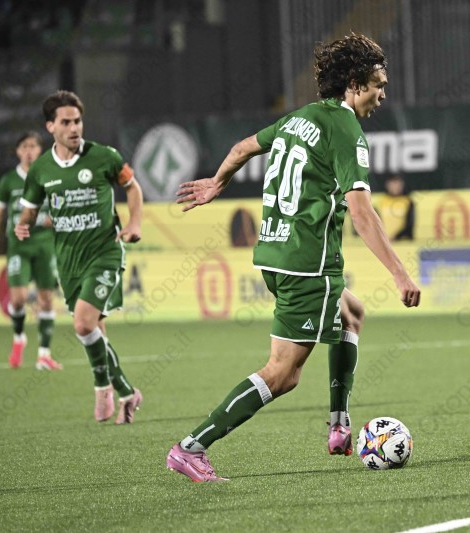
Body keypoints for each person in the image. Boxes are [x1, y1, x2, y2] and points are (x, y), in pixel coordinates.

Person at [167, 33, 421, 482]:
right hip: (308, 264)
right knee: (282, 374)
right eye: (378, 84)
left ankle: (339, 425)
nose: (383, 94)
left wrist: (218, 182)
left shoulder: (300, 118)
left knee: (351, 313)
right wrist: (400, 274)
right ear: (355, 83)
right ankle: (191, 447)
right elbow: (362, 213)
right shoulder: (345, 129)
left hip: (274, 254)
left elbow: (242, 148)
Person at [15, 90, 144, 424]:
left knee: (83, 324)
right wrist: (23, 225)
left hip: (104, 252)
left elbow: (132, 186)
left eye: (78, 121)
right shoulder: (41, 169)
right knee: (94, 329)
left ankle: (104, 389)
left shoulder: (104, 156)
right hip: (69, 260)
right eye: (66, 122)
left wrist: (134, 223)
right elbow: (29, 209)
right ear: (50, 126)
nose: (74, 128)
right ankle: (125, 393)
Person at [0, 131, 62, 370]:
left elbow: (62, 207)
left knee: (46, 300)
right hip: (19, 246)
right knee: (18, 299)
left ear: (40, 150)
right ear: (18, 151)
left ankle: (44, 354)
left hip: (45, 246)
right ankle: (19, 337)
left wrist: (54, 218)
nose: (29, 151)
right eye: (24, 146)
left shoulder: (50, 176)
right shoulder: (9, 181)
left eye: (33, 146)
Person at [378, 174, 415, 240]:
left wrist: (396, 237)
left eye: (398, 184)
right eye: (393, 184)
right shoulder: (381, 201)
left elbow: (409, 225)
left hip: (402, 241)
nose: (396, 187)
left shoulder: (408, 201)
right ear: (387, 185)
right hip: (384, 241)